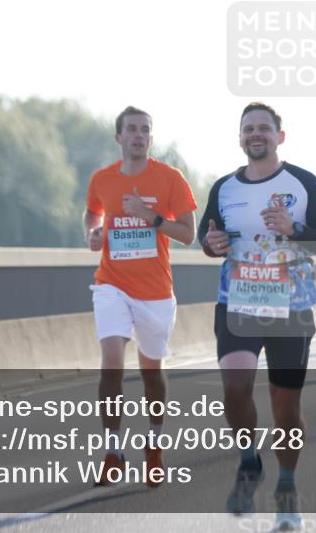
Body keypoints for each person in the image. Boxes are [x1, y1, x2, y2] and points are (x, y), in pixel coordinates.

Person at [198, 102, 316, 530]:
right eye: (248, 129)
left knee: (285, 406)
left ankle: (287, 485)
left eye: (264, 128)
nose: (255, 134)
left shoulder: (303, 183)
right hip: (237, 301)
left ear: (281, 135)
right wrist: (213, 245)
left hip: (290, 306)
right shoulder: (223, 188)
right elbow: (209, 240)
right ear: (239, 138)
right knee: (235, 387)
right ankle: (248, 460)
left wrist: (294, 231)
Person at [84, 106, 197, 486]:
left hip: (155, 293)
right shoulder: (102, 179)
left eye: (145, 130)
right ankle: (113, 451)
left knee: (152, 374)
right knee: (111, 364)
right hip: (111, 283)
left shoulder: (170, 179)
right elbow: (92, 213)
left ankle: (154, 444)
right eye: (131, 130)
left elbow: (187, 234)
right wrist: (93, 233)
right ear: (119, 137)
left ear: (150, 137)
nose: (139, 136)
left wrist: (150, 218)